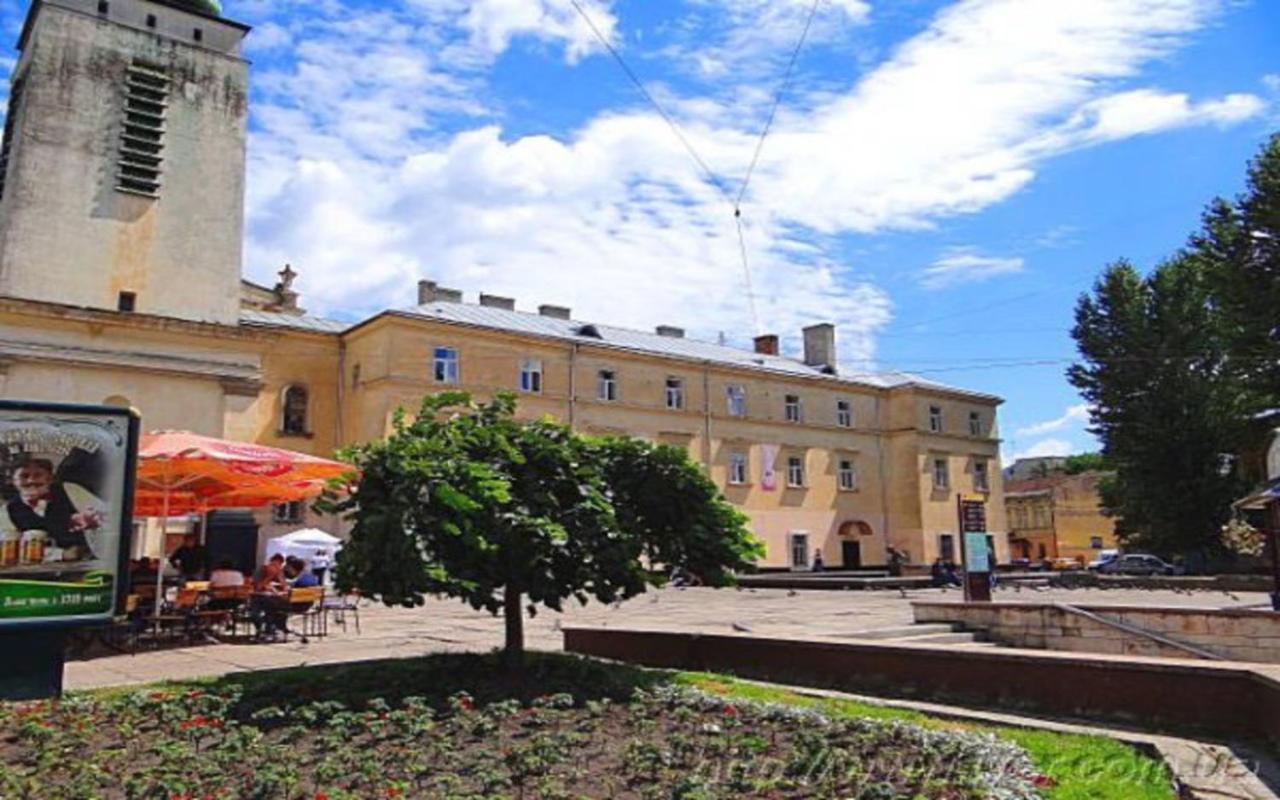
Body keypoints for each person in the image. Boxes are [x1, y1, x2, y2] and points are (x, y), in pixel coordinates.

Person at [1, 456, 103, 562]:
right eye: (24, 476)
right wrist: (61, 554)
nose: (31, 480)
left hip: (89, 561)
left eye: (38, 475)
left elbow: (108, 516)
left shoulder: (70, 490)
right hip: (40, 569)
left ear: (50, 478)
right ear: (13, 481)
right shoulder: (8, 510)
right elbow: (12, 550)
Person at [249, 555, 289, 640]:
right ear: (270, 562)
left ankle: (271, 630)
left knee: (276, 608)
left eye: (279, 565)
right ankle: (267, 629)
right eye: (274, 565)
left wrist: (280, 575)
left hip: (272, 599)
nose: (276, 567)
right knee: (266, 609)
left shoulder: (279, 572)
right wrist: (270, 576)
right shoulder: (261, 570)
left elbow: (285, 587)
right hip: (258, 597)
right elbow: (258, 587)